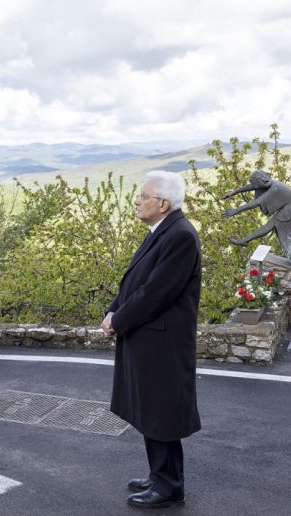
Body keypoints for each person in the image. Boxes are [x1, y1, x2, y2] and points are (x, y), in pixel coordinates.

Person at [101, 170, 201, 509]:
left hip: (163, 344)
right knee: (151, 411)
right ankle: (161, 475)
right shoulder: (162, 231)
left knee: (160, 413)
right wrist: (114, 311)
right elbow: (134, 282)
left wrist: (120, 320)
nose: (137, 201)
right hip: (149, 339)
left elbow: (155, 293)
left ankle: (168, 485)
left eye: (143, 196)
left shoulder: (181, 236)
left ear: (163, 202)